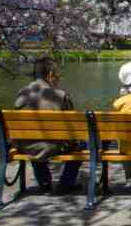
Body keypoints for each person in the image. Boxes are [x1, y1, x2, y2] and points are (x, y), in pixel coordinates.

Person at [14, 57, 82, 194]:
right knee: (82, 145)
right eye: (58, 76)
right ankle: (66, 183)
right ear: (50, 75)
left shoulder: (22, 93)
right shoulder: (61, 95)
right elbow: (74, 127)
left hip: (26, 145)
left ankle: (44, 182)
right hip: (51, 146)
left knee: (34, 139)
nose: (59, 79)